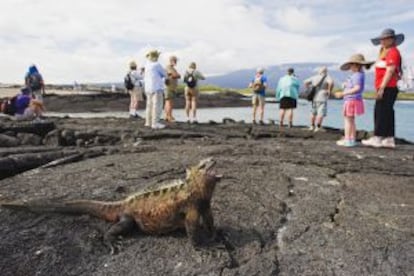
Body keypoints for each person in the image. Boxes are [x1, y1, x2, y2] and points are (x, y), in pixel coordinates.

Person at [362, 28, 404, 148]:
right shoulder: (385, 52)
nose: (383, 41)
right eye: (382, 39)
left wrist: (381, 87)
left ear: (392, 39)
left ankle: (378, 137)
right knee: (387, 111)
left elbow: (390, 71)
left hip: (388, 86)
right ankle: (389, 139)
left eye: (386, 39)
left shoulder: (393, 52)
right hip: (389, 87)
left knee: (380, 111)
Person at [336, 54, 374, 147]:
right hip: (355, 100)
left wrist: (343, 93)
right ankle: (352, 139)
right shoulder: (359, 74)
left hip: (351, 100)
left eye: (351, 65)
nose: (350, 67)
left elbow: (357, 88)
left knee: (348, 120)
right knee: (351, 120)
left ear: (356, 65)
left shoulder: (357, 75)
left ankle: (347, 139)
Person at [304, 66, 334, 131]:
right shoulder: (327, 77)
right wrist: (329, 90)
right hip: (322, 97)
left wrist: (309, 88)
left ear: (319, 71)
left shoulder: (314, 77)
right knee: (320, 113)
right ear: (326, 71)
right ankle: (318, 127)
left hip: (314, 97)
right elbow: (331, 82)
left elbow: (305, 82)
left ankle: (312, 126)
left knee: (313, 112)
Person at [144, 50, 167, 129]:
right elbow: (165, 74)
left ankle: (148, 122)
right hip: (156, 87)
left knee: (149, 105)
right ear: (156, 57)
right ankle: (155, 123)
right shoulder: (157, 65)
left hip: (147, 88)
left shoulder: (147, 65)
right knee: (157, 105)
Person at [164, 56, 181, 123]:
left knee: (168, 102)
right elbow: (176, 75)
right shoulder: (169, 67)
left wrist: (177, 75)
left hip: (170, 87)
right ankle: (169, 116)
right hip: (169, 87)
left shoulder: (172, 68)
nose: (176, 62)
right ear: (172, 61)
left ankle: (167, 116)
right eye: (175, 61)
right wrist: (177, 75)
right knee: (169, 102)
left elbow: (176, 75)